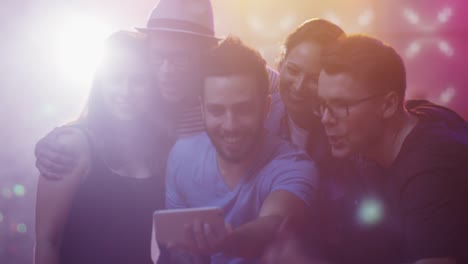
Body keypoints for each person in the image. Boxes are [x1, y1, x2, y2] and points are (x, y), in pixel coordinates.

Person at [264, 34, 468, 264]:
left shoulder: (429, 175)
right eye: (323, 105)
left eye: (342, 106)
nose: (326, 119)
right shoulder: (416, 115)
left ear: (389, 105)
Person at [34, 0, 279, 178]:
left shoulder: (235, 76)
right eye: (157, 57)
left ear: (206, 55)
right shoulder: (144, 90)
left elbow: (293, 88)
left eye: (179, 59)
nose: (166, 71)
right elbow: (103, 117)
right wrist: (57, 138)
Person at [164, 37, 318, 264]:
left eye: (243, 109)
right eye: (216, 110)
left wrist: (226, 241)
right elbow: (177, 249)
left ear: (266, 108)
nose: (230, 125)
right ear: (202, 110)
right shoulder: (182, 156)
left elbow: (273, 226)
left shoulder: (294, 165)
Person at [34, 31, 170, 264]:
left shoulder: (161, 150)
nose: (125, 92)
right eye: (115, 78)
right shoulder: (72, 145)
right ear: (100, 82)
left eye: (138, 80)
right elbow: (47, 242)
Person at [265, 18, 344, 161]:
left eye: (314, 79)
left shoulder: (345, 133)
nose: (299, 86)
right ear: (281, 65)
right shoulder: (260, 117)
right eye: (293, 71)